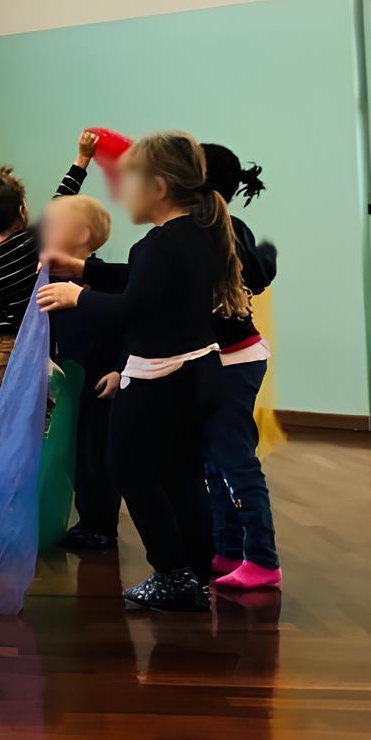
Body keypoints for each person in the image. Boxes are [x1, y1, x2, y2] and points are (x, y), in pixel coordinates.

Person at [37, 131, 249, 613]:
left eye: (128, 181)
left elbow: (134, 308)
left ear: (158, 187)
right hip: (198, 372)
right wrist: (82, 268)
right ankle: (192, 574)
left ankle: (172, 572)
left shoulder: (159, 243)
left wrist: (77, 295)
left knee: (132, 470)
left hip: (160, 381)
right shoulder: (198, 232)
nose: (121, 191)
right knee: (181, 477)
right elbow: (149, 289)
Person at [0, 141, 90, 462]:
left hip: (5, 347)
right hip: (42, 345)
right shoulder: (31, 243)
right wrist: (82, 159)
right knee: (47, 412)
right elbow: (62, 200)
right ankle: (39, 473)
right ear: (22, 210)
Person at [197, 143, 281, 593]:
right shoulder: (227, 228)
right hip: (228, 358)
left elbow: (255, 272)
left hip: (236, 360)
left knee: (234, 463)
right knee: (215, 462)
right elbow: (262, 272)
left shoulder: (216, 232)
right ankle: (228, 549)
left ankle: (263, 561)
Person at [35, 188, 118, 553]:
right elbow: (48, 326)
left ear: (82, 235)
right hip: (70, 380)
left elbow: (125, 327)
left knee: (99, 454)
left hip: (101, 381)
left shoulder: (106, 285)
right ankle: (86, 520)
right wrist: (46, 360)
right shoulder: (51, 277)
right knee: (78, 453)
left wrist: (119, 370)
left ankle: (102, 525)